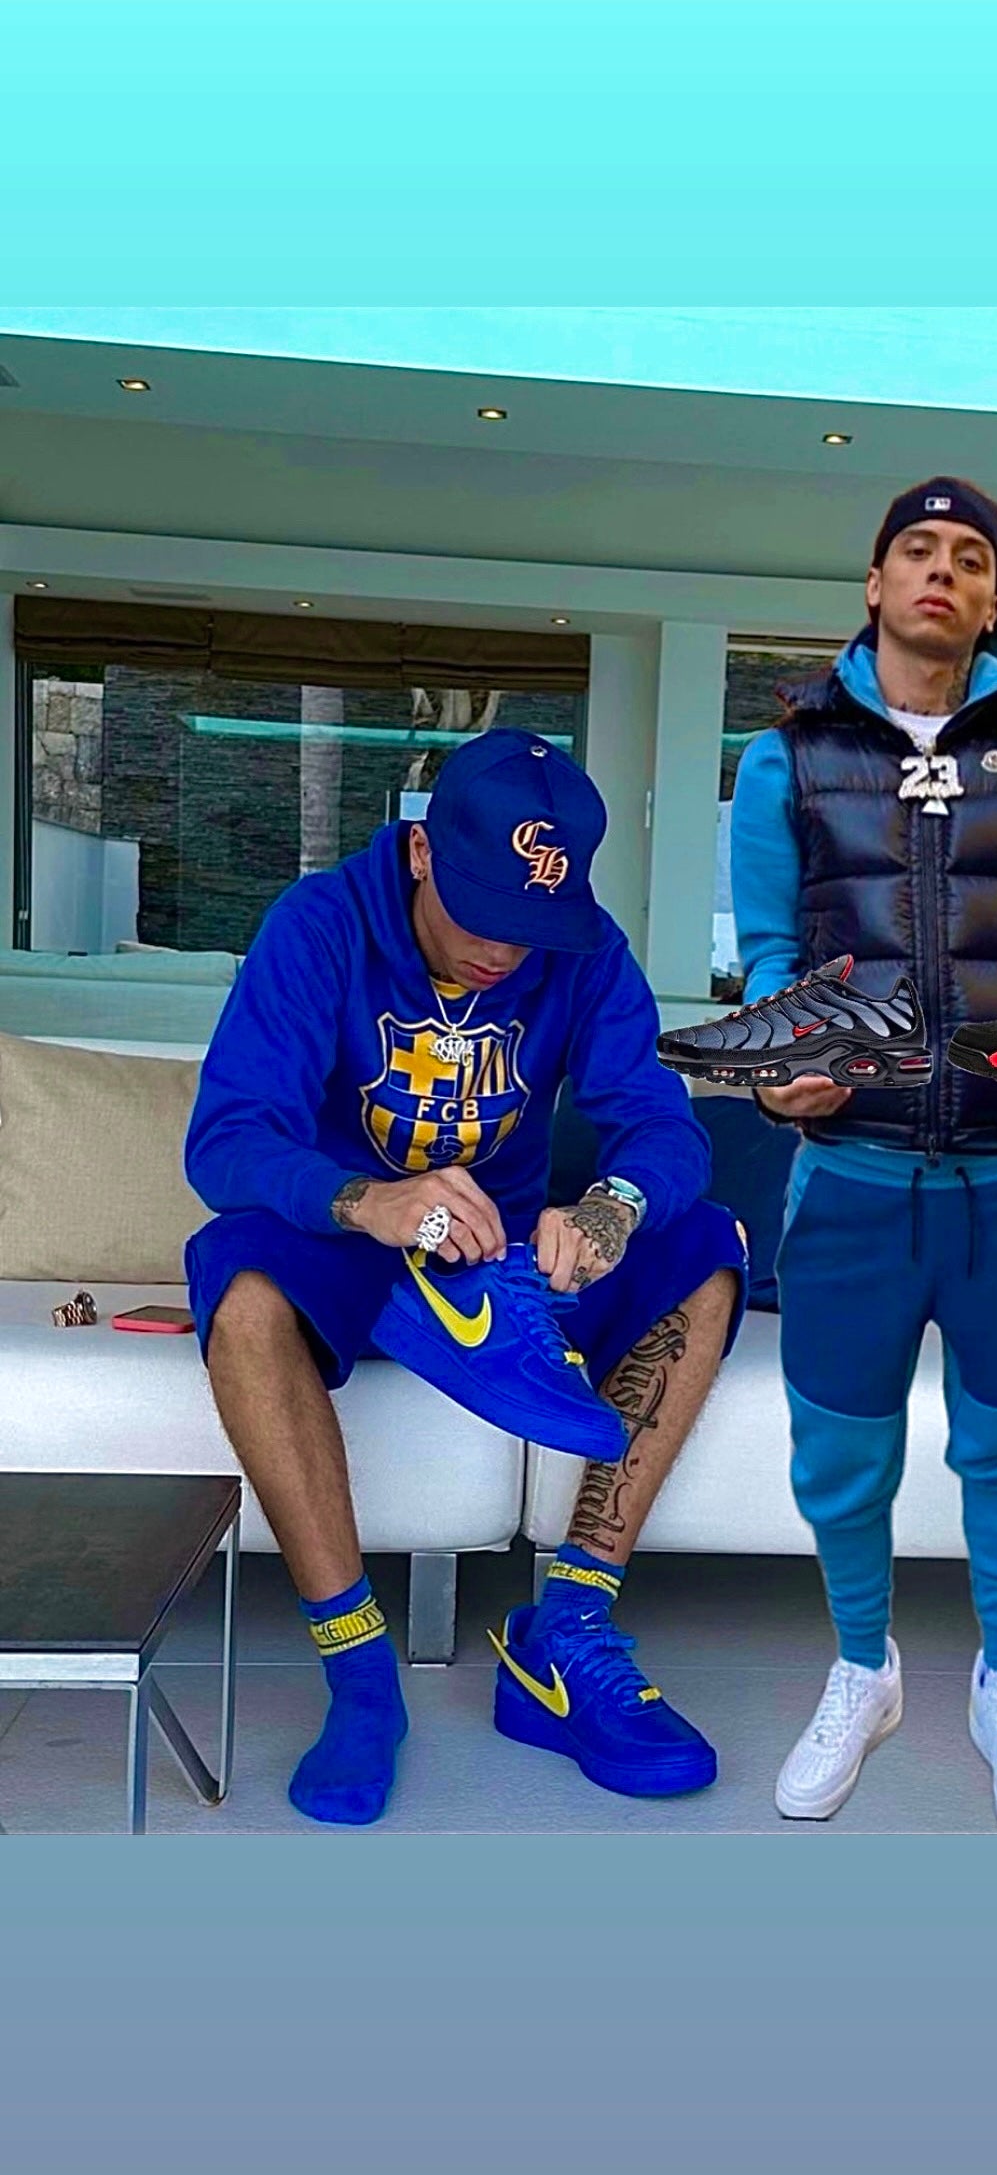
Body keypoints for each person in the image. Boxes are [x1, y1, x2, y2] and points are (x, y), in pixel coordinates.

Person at [183, 728, 747, 1824]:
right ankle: (360, 1676)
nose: (505, 950)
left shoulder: (586, 949)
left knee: (706, 1250)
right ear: (422, 852)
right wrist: (368, 1200)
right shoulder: (320, 924)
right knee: (242, 1288)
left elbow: (661, 1128)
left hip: (503, 1257)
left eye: (534, 925)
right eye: (485, 913)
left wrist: (612, 1207)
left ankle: (566, 1635)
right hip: (352, 1238)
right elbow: (227, 1142)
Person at [729, 477, 997, 1830]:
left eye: (969, 557)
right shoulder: (784, 759)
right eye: (916, 550)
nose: (941, 571)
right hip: (850, 1182)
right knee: (840, 1456)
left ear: (994, 599)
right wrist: (781, 1069)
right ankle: (864, 1669)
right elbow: (767, 960)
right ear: (875, 583)